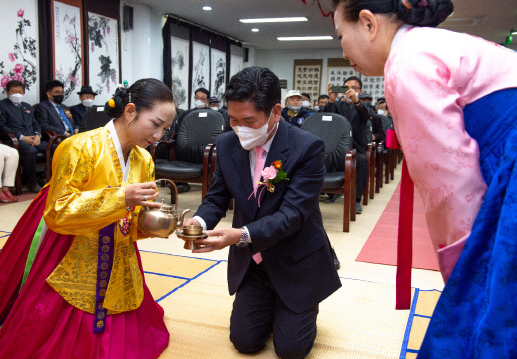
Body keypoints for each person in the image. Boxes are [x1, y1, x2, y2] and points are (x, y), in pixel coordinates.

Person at [332, 0, 517, 357]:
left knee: (483, 321)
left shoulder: (407, 66)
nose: (342, 49)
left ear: (368, 24)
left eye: (341, 34)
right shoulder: (428, 45)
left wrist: (465, 271)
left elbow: (451, 186)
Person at [0, 78, 176, 358]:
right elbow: (58, 212)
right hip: (71, 246)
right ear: (130, 111)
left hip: (117, 250)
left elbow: (133, 217)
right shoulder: (78, 147)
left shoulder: (144, 159)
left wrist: (155, 220)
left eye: (166, 129)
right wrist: (121, 198)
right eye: (156, 124)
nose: (159, 135)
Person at [184, 66, 341, 359]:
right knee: (244, 342)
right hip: (255, 264)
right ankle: (270, 302)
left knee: (290, 350)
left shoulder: (306, 148)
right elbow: (217, 196)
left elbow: (293, 215)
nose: (240, 128)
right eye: (232, 119)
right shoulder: (227, 142)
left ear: (276, 112)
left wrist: (240, 235)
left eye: (249, 120)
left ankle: (302, 305)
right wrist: (200, 220)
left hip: (296, 261)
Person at [324, 77, 369, 212]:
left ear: (360, 91)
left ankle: (356, 200)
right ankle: (332, 193)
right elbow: (327, 118)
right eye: (346, 87)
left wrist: (356, 101)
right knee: (326, 157)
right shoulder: (337, 105)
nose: (350, 91)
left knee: (361, 161)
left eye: (354, 88)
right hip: (337, 146)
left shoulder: (363, 105)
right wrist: (331, 100)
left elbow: (365, 116)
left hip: (356, 147)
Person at [0, 80, 47, 193]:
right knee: (31, 151)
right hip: (13, 140)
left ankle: (43, 177)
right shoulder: (0, 106)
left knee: (57, 148)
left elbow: (35, 123)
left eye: (20, 91)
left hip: (33, 139)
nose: (17, 94)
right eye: (14, 91)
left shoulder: (27, 106)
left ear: (23, 93)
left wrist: (38, 135)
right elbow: (1, 126)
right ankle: (31, 183)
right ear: (7, 92)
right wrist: (22, 137)